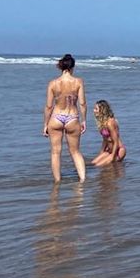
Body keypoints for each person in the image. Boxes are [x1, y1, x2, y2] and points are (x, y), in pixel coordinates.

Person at [44, 54, 86, 182]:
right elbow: (82, 103)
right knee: (75, 152)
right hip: (72, 116)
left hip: (56, 117)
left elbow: (48, 106)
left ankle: (57, 181)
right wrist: (84, 120)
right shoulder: (78, 82)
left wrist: (45, 124)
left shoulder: (53, 83)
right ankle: (83, 180)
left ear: (61, 67)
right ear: (72, 67)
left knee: (56, 152)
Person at [91, 99, 126, 167]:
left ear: (102, 110)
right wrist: (101, 153)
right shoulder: (102, 122)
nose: (93, 111)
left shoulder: (110, 123)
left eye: (96, 109)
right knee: (93, 164)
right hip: (109, 150)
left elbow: (115, 141)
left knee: (98, 166)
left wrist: (112, 156)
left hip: (118, 151)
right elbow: (105, 140)